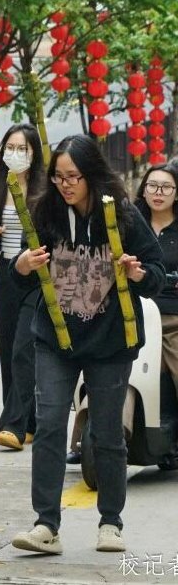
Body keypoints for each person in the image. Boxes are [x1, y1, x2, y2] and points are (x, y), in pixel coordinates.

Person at [10, 135, 164, 555]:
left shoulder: (122, 214)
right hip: (55, 339)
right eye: (58, 177)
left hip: (111, 341)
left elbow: (155, 273)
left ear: (92, 174)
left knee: (108, 432)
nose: (65, 185)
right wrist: (22, 265)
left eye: (73, 177)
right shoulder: (44, 212)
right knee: (49, 425)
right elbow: (18, 277)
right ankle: (46, 524)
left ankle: (110, 522)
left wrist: (136, 274)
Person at [0, 124, 46, 451]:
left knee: (24, 348)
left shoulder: (43, 192)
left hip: (35, 277)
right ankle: (29, 423)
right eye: (11, 147)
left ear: (34, 154)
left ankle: (13, 426)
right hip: (6, 275)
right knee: (8, 350)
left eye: (23, 149)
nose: (15, 154)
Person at [133, 163, 178, 468]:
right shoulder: (130, 224)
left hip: (173, 318)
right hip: (134, 314)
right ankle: (87, 437)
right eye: (152, 185)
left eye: (166, 187)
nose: (158, 193)